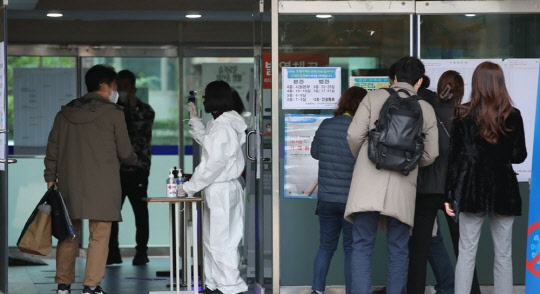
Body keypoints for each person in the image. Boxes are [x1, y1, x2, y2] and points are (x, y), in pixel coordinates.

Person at [345, 56, 439, 294]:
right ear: (419, 82)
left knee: (362, 244)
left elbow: (354, 136)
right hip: (403, 183)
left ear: (392, 78)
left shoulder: (373, 97)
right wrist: (410, 163)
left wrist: (368, 158)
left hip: (368, 182)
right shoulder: (426, 108)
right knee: (398, 248)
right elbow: (431, 154)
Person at [44, 64, 137, 294]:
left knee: (67, 233)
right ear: (105, 86)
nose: (115, 92)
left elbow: (53, 148)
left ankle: (63, 285)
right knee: (99, 236)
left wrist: (50, 177)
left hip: (69, 183)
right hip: (103, 184)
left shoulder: (64, 113)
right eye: (114, 86)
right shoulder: (114, 113)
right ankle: (91, 286)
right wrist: (134, 159)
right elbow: (125, 152)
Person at [445, 61, 527, 294]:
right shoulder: (513, 116)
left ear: (476, 84)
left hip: (473, 189)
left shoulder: (462, 113)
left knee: (467, 252)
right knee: (504, 253)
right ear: (500, 84)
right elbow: (519, 156)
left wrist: (449, 194)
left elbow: (455, 159)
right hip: (504, 190)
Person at [179, 80, 248, 294]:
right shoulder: (221, 123)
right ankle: (213, 283)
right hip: (220, 188)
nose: (203, 100)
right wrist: (195, 120)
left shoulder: (224, 126)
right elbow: (209, 143)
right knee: (212, 240)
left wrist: (190, 186)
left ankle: (228, 286)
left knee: (222, 241)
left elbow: (213, 163)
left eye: (205, 96)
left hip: (221, 188)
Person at [407, 71, 464, 294]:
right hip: (454, 191)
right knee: (465, 249)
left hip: (426, 189)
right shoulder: (463, 117)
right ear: (460, 92)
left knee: (419, 252)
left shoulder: (425, 113)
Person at [310, 86, 368, 294]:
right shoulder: (360, 129)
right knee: (351, 249)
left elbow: (315, 153)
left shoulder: (326, 125)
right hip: (350, 201)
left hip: (326, 199)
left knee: (326, 247)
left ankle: (317, 289)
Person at [107, 69, 155, 266]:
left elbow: (136, 130)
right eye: (120, 88)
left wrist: (133, 107)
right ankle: (112, 252)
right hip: (113, 170)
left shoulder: (145, 110)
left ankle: (141, 252)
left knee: (140, 212)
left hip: (138, 169)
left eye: (126, 87)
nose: (123, 91)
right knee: (111, 212)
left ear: (134, 88)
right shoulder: (110, 109)